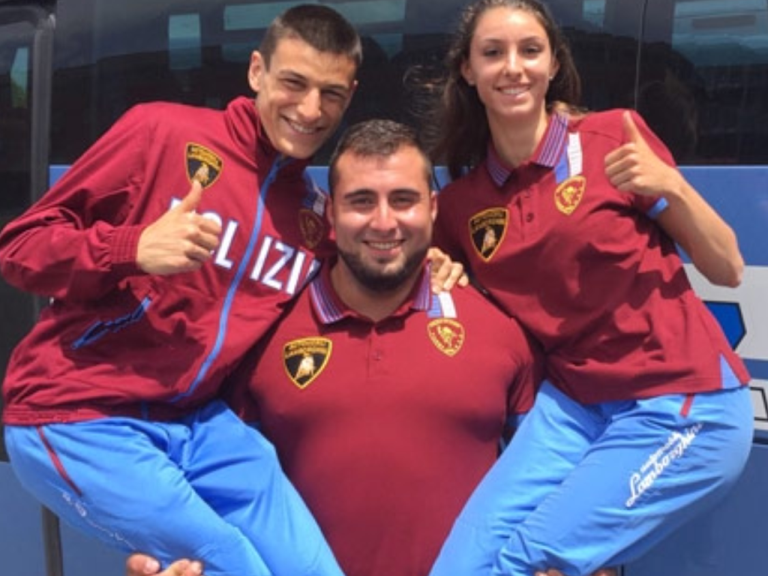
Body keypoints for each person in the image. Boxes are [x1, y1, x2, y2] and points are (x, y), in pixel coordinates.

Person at [125, 120, 619, 576]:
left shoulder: (500, 328)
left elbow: (563, 483)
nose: (384, 223)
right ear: (331, 213)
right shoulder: (262, 332)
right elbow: (214, 497)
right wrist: (176, 562)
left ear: (433, 208)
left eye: (403, 200)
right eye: (361, 201)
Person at [0, 5, 363, 576]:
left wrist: (440, 262)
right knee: (232, 564)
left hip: (198, 423)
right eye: (294, 82)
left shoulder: (314, 220)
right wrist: (132, 247)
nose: (311, 109)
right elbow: (20, 248)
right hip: (78, 413)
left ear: (350, 96)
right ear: (257, 71)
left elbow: (371, 274)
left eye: (331, 93)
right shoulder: (161, 133)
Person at [426, 1, 754, 576]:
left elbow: (727, 267)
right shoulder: (460, 204)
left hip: (682, 403)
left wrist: (671, 185)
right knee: (461, 566)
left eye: (530, 50)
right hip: (574, 405)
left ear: (553, 64)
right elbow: (429, 272)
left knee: (523, 563)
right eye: (493, 53)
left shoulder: (611, 138)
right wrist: (437, 266)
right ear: (467, 70)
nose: (513, 67)